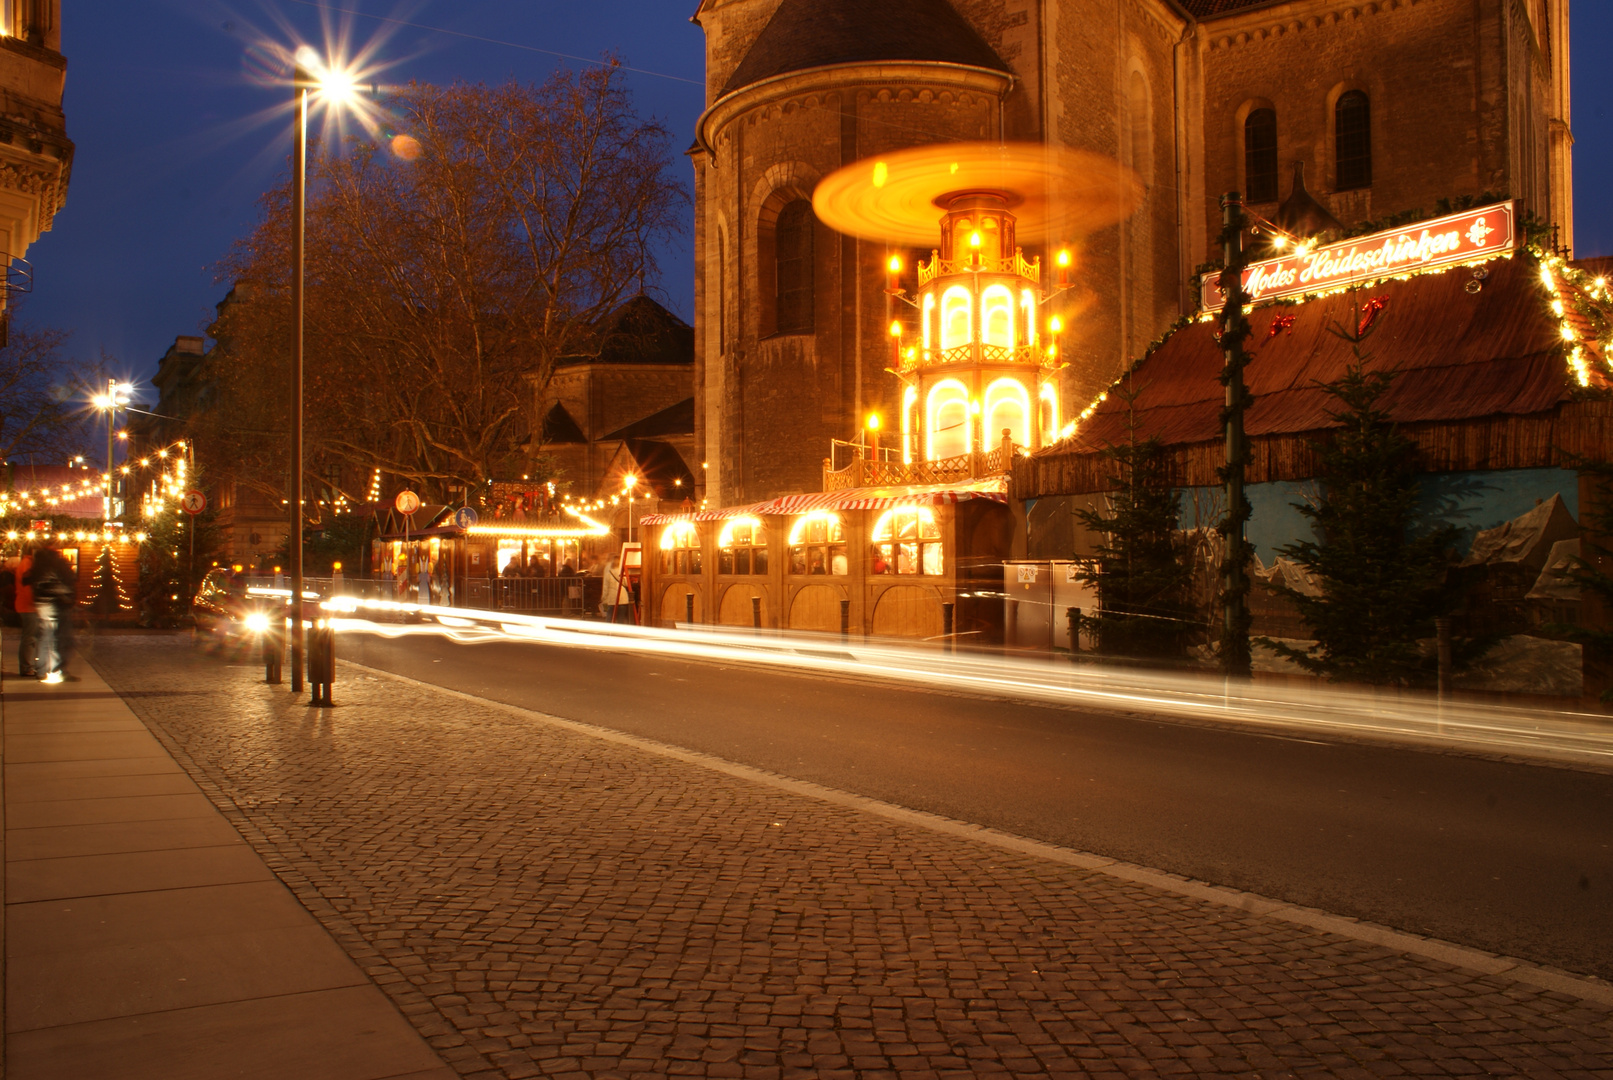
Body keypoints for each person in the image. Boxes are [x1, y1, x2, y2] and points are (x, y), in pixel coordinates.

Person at [24, 544, 76, 684]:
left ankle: (42, 670)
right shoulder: (48, 572)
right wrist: (66, 596)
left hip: (41, 606)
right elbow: (55, 589)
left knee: (44, 638)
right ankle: (50, 670)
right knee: (49, 639)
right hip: (50, 608)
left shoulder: (36, 570)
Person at [13, 546, 37, 677]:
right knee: (30, 637)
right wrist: (35, 602)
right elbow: (27, 588)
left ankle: (28, 666)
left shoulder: (27, 563)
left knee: (30, 636)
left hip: (27, 606)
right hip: (28, 607)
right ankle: (27, 667)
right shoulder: (27, 565)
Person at [600, 552, 626, 623]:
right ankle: (619, 633)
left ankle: (609, 632)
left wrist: (604, 597)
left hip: (611, 599)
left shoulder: (608, 573)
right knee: (621, 618)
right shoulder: (623, 572)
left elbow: (605, 587)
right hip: (623, 598)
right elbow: (626, 584)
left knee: (610, 617)